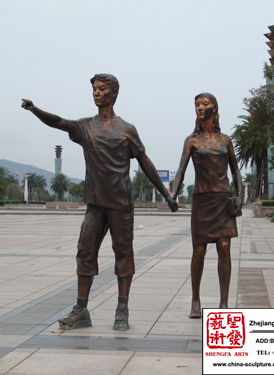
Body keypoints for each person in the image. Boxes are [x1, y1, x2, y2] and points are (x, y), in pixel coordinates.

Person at [22, 74, 178, 331]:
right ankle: (81, 309)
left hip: (120, 204)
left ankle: (122, 308)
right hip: (95, 204)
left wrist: (166, 194)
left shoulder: (127, 129)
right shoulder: (85, 126)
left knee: (123, 255)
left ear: (113, 94)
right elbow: (59, 122)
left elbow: (145, 163)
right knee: (85, 252)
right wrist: (34, 109)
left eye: (102, 89)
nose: (96, 93)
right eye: (94, 89)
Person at [171, 93, 242, 318]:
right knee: (199, 250)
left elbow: (236, 170)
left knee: (224, 247)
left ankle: (223, 302)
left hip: (223, 199)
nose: (200, 108)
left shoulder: (225, 140)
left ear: (215, 108)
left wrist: (239, 195)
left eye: (205, 104)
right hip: (202, 199)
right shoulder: (191, 140)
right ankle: (195, 299)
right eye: (197, 105)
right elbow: (181, 169)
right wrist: (173, 193)